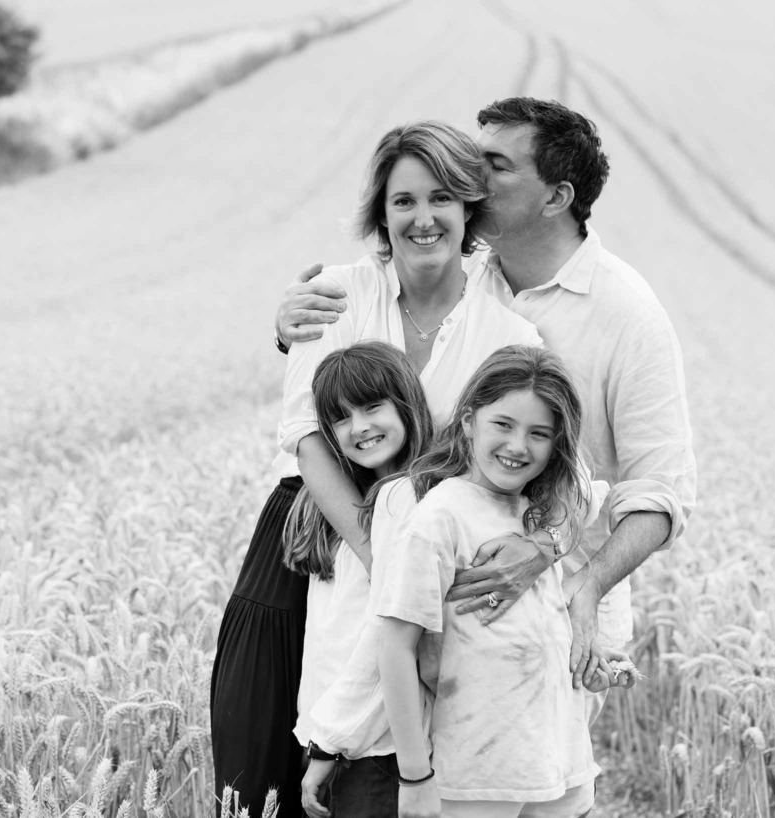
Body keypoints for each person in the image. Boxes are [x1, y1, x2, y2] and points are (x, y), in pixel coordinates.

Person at [273, 98, 697, 697]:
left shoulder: (627, 315)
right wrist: (290, 325)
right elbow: (367, 368)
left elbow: (660, 491)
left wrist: (574, 572)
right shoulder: (468, 275)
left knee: (530, 785)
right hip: (441, 600)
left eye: (494, 166)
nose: (469, 177)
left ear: (556, 198)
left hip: (555, 612)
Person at [211, 120, 542, 817]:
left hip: (427, 550)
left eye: (442, 199)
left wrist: (407, 570)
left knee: (376, 761)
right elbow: (305, 431)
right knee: (255, 760)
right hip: (308, 536)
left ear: (468, 210)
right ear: (380, 214)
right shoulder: (335, 292)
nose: (423, 219)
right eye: (403, 202)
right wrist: (375, 550)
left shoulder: (509, 336)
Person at [303, 345, 628, 818]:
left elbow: (528, 629)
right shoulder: (437, 515)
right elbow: (393, 646)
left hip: (560, 764)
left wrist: (582, 662)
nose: (518, 446)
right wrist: (413, 775)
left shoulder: (538, 517)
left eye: (539, 434)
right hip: (478, 777)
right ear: (469, 420)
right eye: (503, 425)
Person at [285, 342, 433, 817]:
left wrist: (328, 743)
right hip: (339, 738)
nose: (360, 427)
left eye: (372, 407)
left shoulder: (405, 499)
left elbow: (383, 641)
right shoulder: (347, 503)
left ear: (407, 403)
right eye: (342, 418)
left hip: (374, 750)